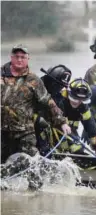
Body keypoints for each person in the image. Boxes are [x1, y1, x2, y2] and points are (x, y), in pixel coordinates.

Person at [1, 44, 70, 189]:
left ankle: (36, 198)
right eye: (16, 56)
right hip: (2, 131)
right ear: (11, 58)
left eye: (23, 57)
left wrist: (62, 122)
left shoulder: (34, 80)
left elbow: (48, 101)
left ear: (28, 59)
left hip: (25, 131)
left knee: (32, 164)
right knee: (2, 167)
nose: (19, 59)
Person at [53, 78, 96, 153]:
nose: (77, 102)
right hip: (55, 132)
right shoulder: (59, 101)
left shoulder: (83, 106)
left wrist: (95, 144)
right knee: (72, 148)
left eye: (82, 100)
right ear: (68, 93)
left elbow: (90, 124)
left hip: (72, 132)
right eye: (74, 98)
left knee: (78, 148)